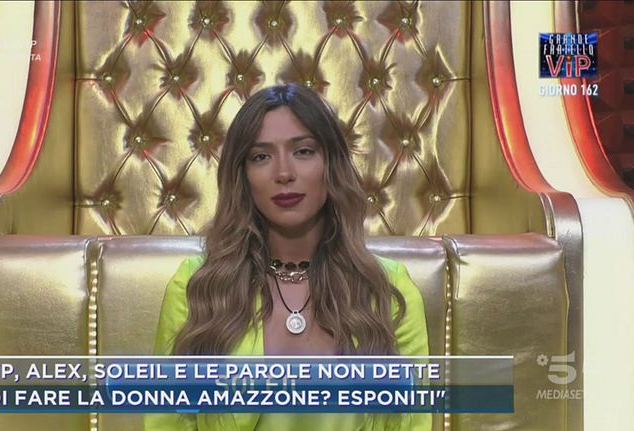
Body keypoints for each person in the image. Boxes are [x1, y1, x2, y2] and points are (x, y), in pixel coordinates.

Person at [144, 84, 430, 430]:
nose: (284, 173)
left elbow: (413, 423)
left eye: (303, 151)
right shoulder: (198, 288)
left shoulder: (388, 290)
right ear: (242, 176)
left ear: (331, 164)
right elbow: (168, 422)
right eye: (261, 157)